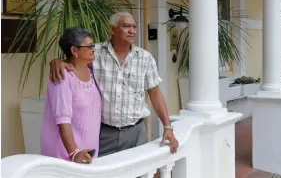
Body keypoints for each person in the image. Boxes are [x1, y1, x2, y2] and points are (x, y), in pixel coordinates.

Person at [49, 12, 179, 157]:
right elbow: (76, 60)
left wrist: (167, 126)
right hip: (104, 134)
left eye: (134, 27)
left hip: (136, 132)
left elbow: (155, 93)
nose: (132, 30)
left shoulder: (145, 58)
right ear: (112, 30)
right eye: (126, 26)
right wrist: (58, 62)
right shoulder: (94, 52)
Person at [41, 27, 101, 164]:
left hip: (88, 152)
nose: (94, 49)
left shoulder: (91, 70)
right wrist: (74, 152)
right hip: (67, 155)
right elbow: (63, 120)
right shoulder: (61, 77)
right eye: (89, 46)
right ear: (74, 50)